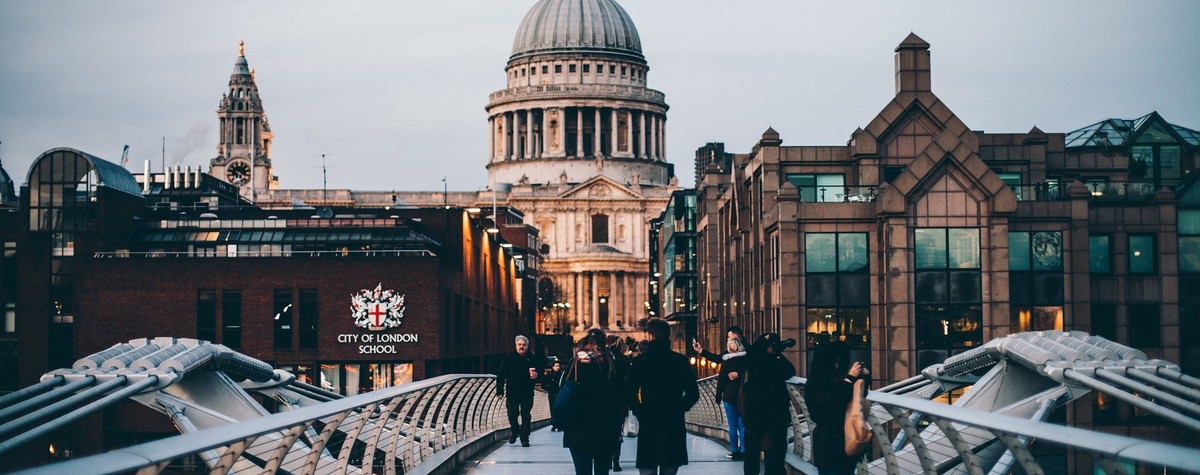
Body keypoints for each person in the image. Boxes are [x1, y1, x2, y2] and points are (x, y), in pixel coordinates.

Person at [626, 318, 700, 475]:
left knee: (648, 465)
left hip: (649, 421)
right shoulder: (680, 361)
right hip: (673, 421)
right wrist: (679, 409)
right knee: (670, 465)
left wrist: (641, 412)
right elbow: (693, 393)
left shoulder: (641, 362)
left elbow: (630, 393)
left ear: (650, 336)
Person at [562, 328, 625, 475]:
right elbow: (619, 397)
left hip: (577, 429)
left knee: (582, 471)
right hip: (605, 428)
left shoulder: (575, 364)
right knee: (602, 470)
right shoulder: (611, 365)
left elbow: (563, 392)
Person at [806, 340, 870, 475]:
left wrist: (864, 378)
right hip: (828, 448)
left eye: (838, 362)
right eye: (833, 362)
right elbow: (833, 403)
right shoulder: (815, 385)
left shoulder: (840, 380)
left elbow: (857, 399)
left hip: (846, 445)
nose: (836, 366)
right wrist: (849, 380)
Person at [741, 333, 796, 475]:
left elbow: (790, 371)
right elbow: (751, 353)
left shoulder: (774, 360)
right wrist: (763, 342)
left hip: (770, 409)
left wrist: (777, 353)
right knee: (757, 445)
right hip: (764, 409)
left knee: (774, 445)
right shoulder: (756, 358)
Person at [496, 335, 540, 446]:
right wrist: (499, 391)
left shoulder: (532, 358)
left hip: (527, 392)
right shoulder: (509, 358)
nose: (521, 347)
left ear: (527, 346)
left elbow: (540, 371)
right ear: (516, 346)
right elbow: (501, 374)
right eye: (519, 344)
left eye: (524, 345)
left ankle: (524, 438)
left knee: (526, 415)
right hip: (512, 392)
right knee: (512, 414)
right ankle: (515, 430)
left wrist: (537, 375)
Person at [715, 335, 748, 460]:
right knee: (742, 424)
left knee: (732, 425)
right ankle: (743, 450)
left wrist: (718, 396)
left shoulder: (726, 362)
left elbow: (721, 381)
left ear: (729, 348)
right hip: (742, 395)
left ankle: (734, 451)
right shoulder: (746, 361)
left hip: (729, 395)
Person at [607, 335, 632, 471]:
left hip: (604, 402)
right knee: (618, 431)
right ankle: (615, 461)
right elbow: (628, 380)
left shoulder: (603, 358)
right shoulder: (624, 359)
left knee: (605, 431)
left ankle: (605, 458)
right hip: (620, 401)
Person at [543, 360, 564, 431]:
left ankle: (558, 424)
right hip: (552, 394)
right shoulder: (548, 375)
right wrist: (550, 389)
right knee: (553, 409)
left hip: (560, 394)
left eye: (558, 366)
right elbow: (543, 385)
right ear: (553, 367)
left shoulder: (562, 375)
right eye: (556, 366)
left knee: (559, 409)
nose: (558, 367)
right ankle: (555, 424)